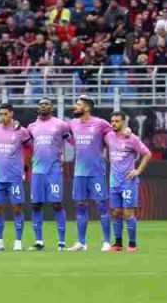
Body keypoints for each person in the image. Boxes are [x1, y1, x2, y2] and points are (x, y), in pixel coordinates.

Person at [67, 95, 113, 252]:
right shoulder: (72, 124)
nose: (75, 106)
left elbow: (115, 134)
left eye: (78, 104)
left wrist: (126, 131)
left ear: (87, 108)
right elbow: (63, 134)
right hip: (79, 173)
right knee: (80, 206)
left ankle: (107, 242)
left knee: (101, 206)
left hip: (96, 172)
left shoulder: (100, 123)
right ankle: (81, 242)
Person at [26, 98, 70, 251]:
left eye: (46, 104)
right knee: (36, 205)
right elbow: (25, 145)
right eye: (41, 104)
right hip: (37, 171)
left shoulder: (61, 125)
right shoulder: (31, 127)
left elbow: (74, 140)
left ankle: (62, 242)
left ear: (52, 108)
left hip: (54, 170)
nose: (43, 106)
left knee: (57, 204)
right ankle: (39, 241)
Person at [0, 104, 32, 251]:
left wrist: (25, 164)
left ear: (11, 114)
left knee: (17, 208)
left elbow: (30, 147)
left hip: (14, 177)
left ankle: (18, 241)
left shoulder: (21, 131)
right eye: (0, 114)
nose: (2, 117)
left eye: (5, 114)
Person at [105, 111, 152, 252]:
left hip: (128, 182)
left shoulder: (132, 138)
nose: (114, 123)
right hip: (114, 182)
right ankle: (118, 244)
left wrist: (138, 171)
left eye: (117, 121)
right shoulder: (108, 136)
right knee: (115, 212)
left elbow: (147, 154)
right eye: (112, 121)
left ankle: (132, 244)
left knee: (128, 213)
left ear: (124, 122)